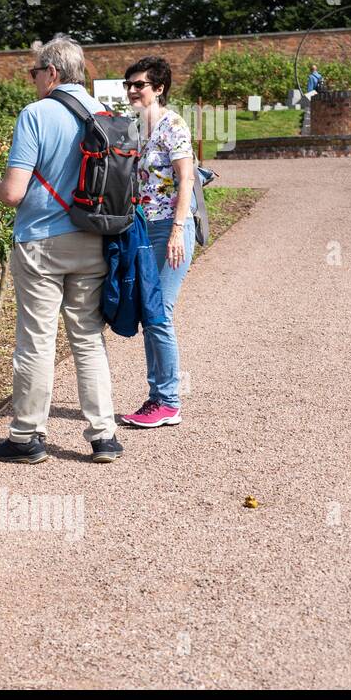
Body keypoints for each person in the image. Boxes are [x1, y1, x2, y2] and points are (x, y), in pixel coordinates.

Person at [0, 35, 122, 464]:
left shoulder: (36, 115)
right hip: (95, 239)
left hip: (42, 241)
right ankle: (104, 436)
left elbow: (13, 192)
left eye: (34, 73)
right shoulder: (106, 115)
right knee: (87, 338)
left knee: (36, 341)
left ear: (52, 73)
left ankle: (26, 437)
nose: (32, 81)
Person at [120, 56, 195, 428]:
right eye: (129, 84)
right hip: (145, 229)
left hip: (170, 229)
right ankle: (157, 398)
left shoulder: (172, 126)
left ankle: (168, 401)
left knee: (159, 312)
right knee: (150, 313)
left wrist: (179, 230)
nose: (133, 90)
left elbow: (187, 179)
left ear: (159, 88)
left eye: (140, 84)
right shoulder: (137, 128)